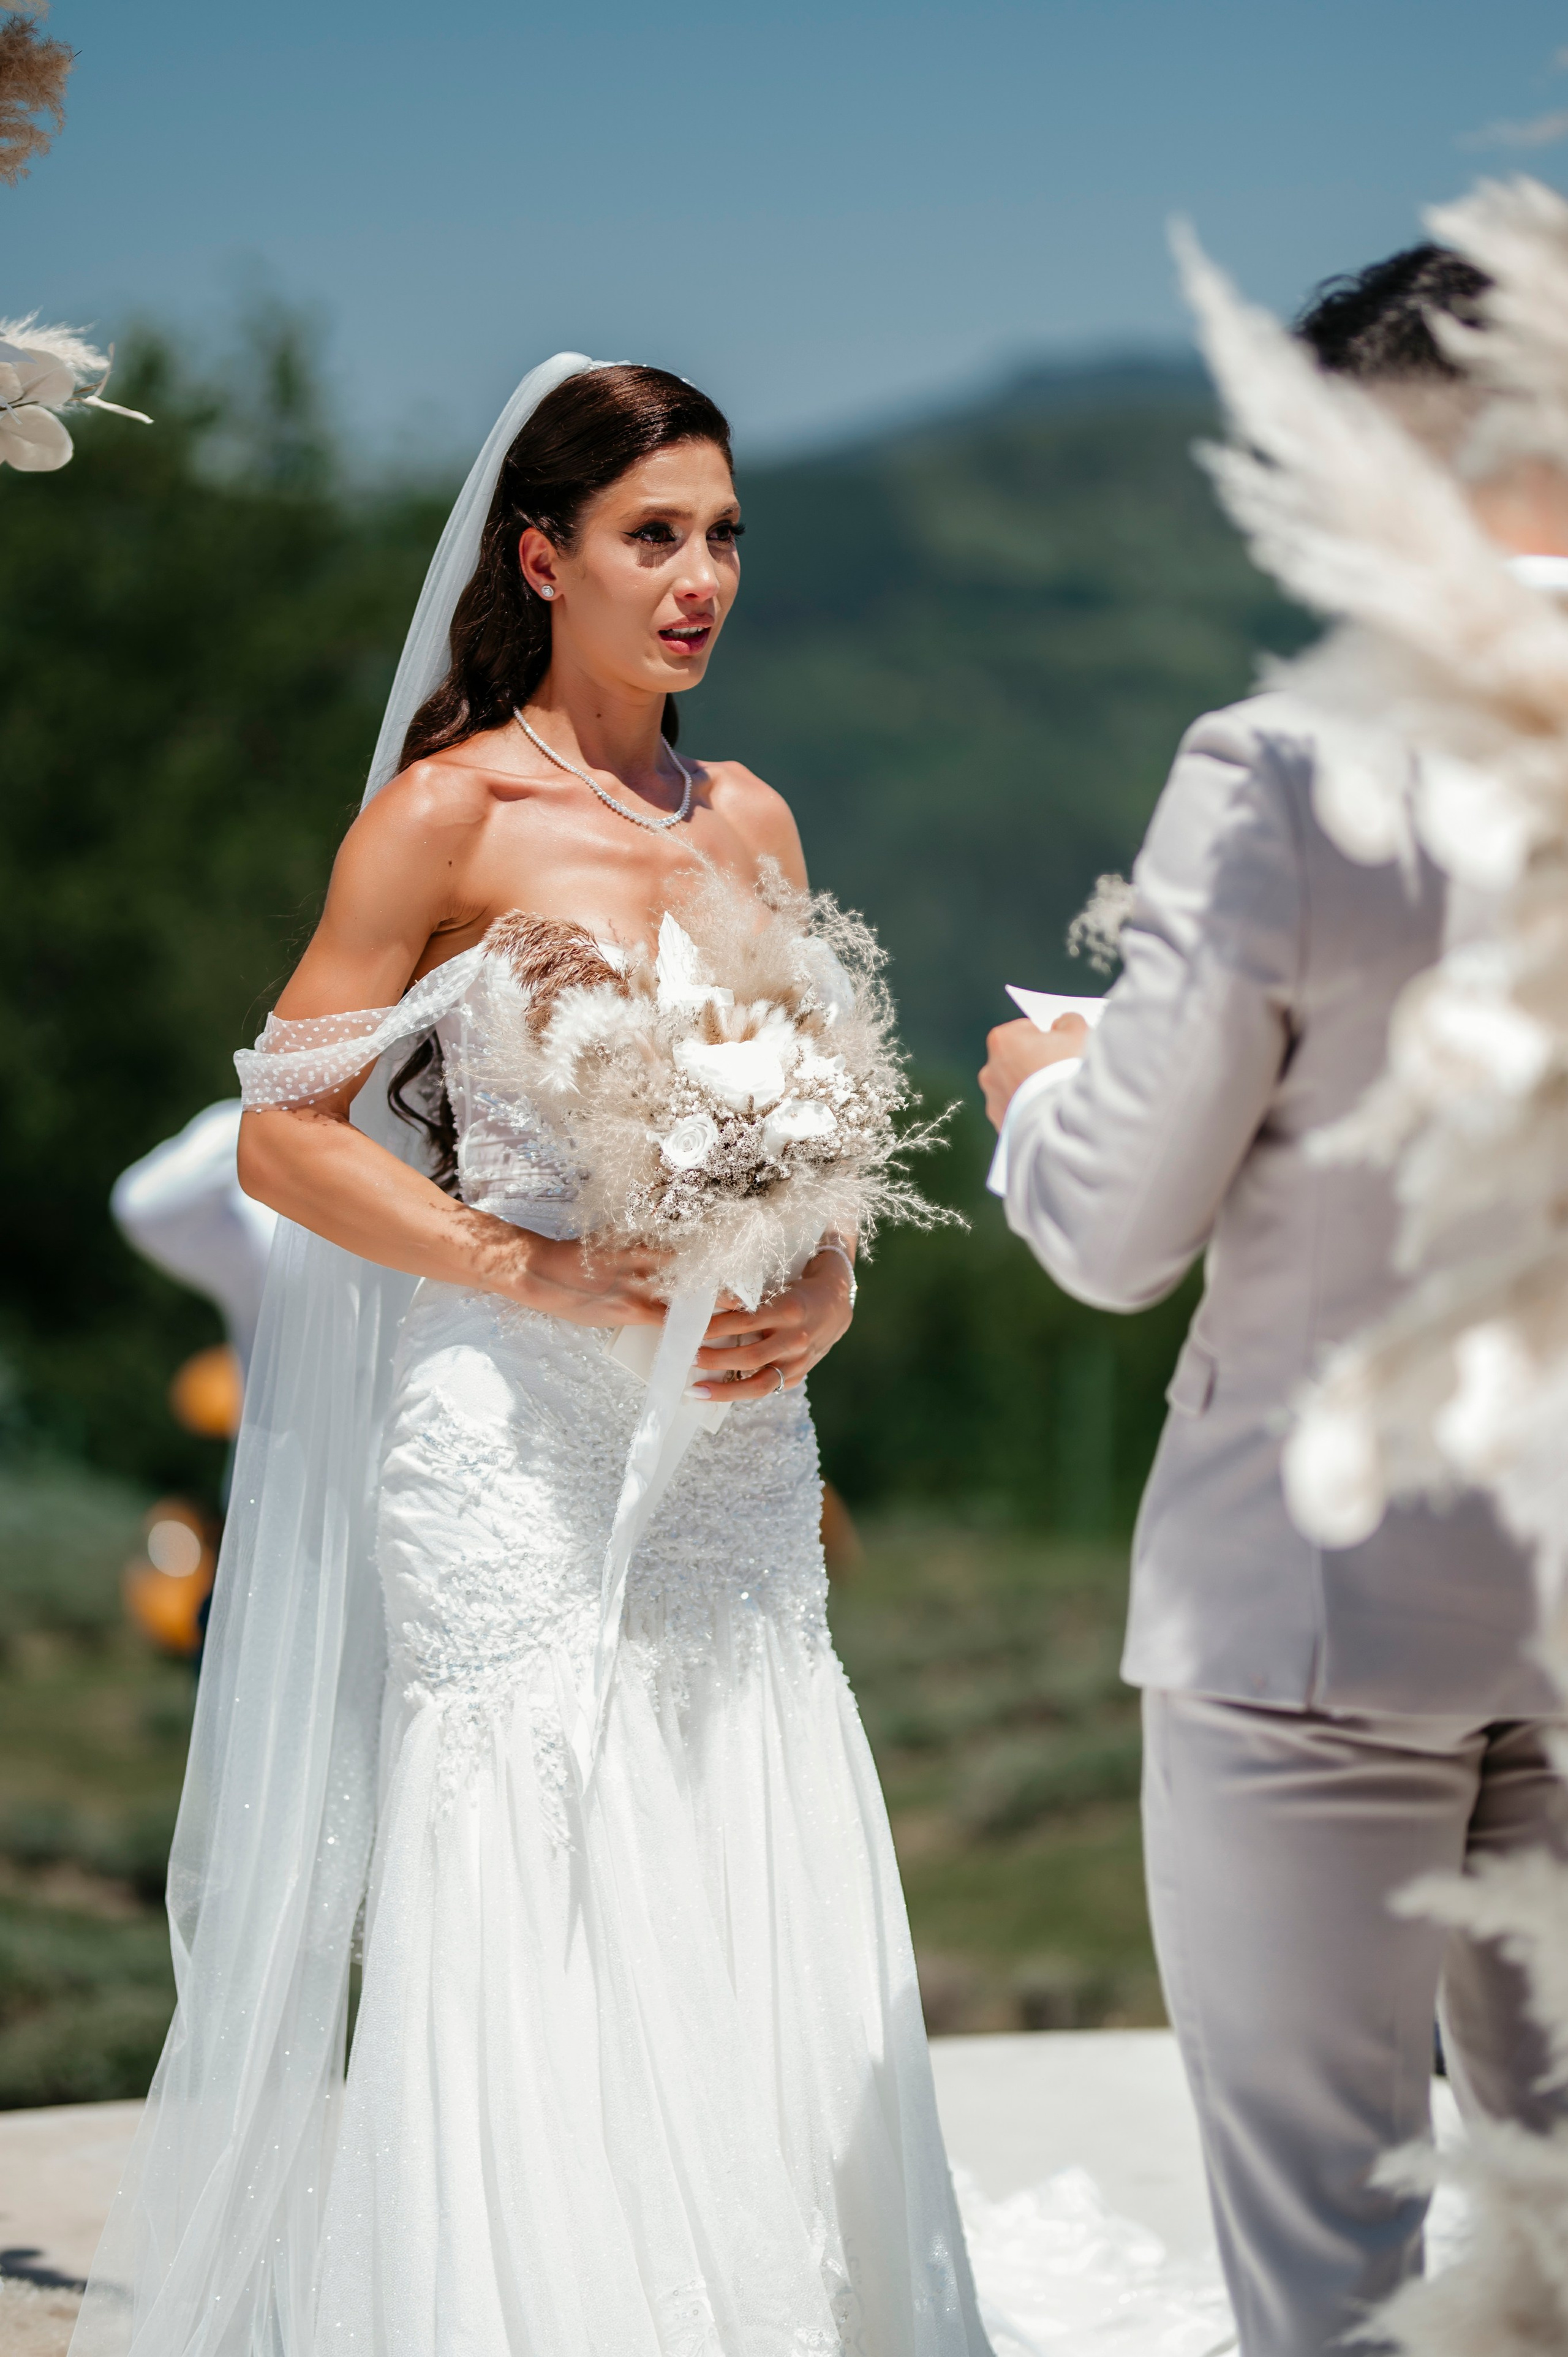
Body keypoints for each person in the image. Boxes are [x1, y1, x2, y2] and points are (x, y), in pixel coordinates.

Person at [73, 356, 994, 2357]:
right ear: (542, 554)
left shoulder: (746, 813)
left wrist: (830, 1283)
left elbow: (815, 1111)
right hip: (505, 1417)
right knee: (520, 1822)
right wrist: (528, 1268)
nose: (699, 577)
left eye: (724, 534)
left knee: (742, 1783)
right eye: (653, 534)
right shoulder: (448, 815)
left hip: (737, 1415)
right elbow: (282, 1133)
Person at [979, 245, 1568, 2357]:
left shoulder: (1290, 766)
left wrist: (1043, 1096)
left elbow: (1125, 1226)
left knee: (1332, 2270)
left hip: (1318, 1609)